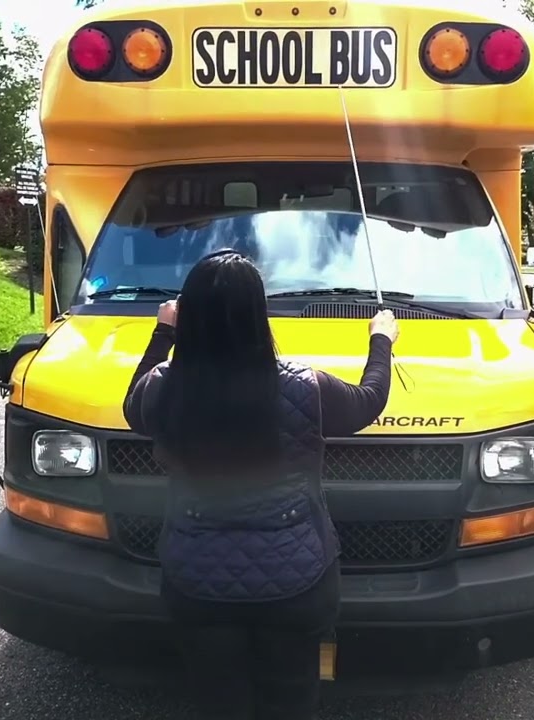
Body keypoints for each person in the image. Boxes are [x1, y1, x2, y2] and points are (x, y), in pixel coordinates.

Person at [122, 249, 398, 720]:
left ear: (189, 314)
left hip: (195, 579)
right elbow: (369, 401)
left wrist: (163, 333)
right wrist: (381, 341)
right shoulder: (303, 385)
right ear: (258, 313)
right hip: (298, 580)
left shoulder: (164, 386)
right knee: (292, 700)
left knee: (218, 701)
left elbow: (132, 405)